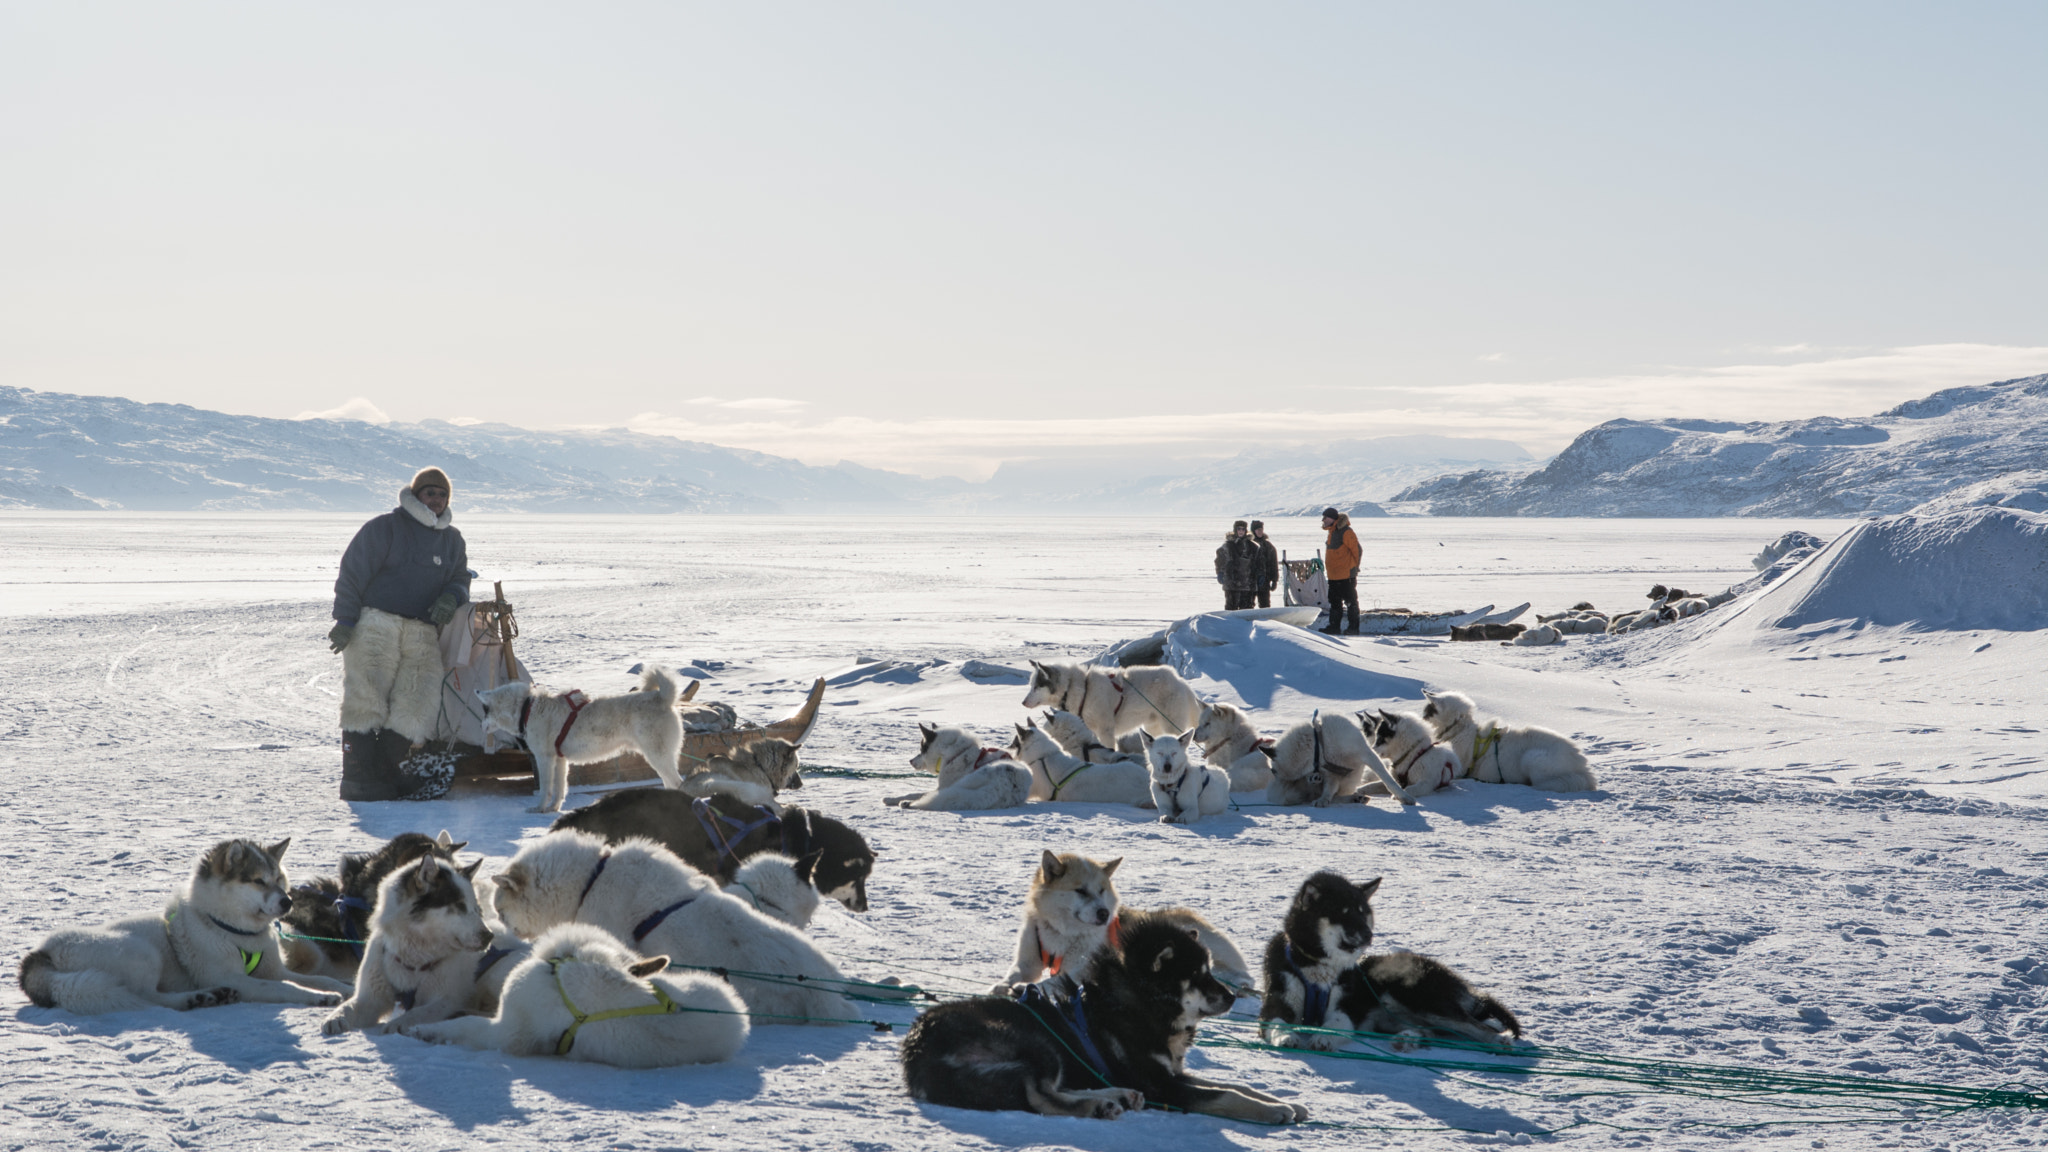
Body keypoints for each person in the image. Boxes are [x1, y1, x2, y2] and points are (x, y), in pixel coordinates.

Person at [328, 467, 472, 801]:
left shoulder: (452, 539)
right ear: (416, 494)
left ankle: (385, 772)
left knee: (418, 700)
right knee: (366, 698)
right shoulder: (385, 528)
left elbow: (459, 577)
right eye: (430, 492)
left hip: (421, 628)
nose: (436, 500)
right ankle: (358, 781)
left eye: (442, 495)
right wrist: (345, 620)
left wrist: (452, 596)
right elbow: (352, 572)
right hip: (376, 622)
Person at [1319, 506, 1362, 635]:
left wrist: (1353, 567)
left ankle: (1353, 628)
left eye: (1325, 517)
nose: (1323, 520)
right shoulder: (1332, 532)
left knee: (1351, 602)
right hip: (1333, 575)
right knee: (1335, 603)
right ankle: (1334, 627)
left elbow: (1357, 550)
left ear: (1332, 518)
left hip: (1346, 575)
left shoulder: (1346, 531)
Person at [1214, 520, 1261, 610]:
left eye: (1243, 529)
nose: (1241, 531)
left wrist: (1260, 574)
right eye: (1239, 529)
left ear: (1246, 530)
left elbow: (1258, 563)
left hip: (1248, 583)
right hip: (1232, 583)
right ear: (1235, 530)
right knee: (1231, 609)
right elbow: (1219, 560)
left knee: (1247, 609)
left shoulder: (1253, 547)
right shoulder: (1227, 546)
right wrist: (1220, 572)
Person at [1250, 520, 1279, 609]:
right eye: (1257, 530)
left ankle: (1265, 622)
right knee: (1248, 604)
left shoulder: (1268, 546)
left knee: (1265, 604)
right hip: (1250, 580)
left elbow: (1274, 563)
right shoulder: (1248, 545)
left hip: (1265, 580)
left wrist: (1274, 580)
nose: (1260, 531)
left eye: (1261, 529)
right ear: (1253, 531)